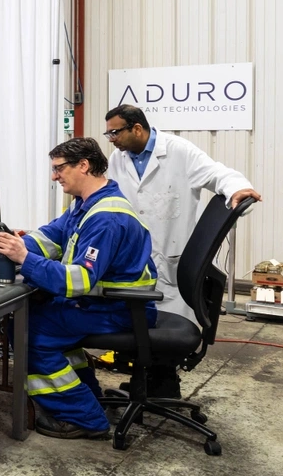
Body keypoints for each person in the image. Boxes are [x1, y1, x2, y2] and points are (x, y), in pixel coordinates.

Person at [0, 137, 158, 439]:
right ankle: (87, 393)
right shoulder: (88, 203)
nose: (54, 176)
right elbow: (52, 235)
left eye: (59, 168)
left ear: (84, 166)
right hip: (102, 303)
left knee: (27, 331)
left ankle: (83, 418)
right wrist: (10, 249)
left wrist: (23, 258)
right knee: (34, 316)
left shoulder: (106, 218)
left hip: (118, 308)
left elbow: (81, 281)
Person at [103, 104, 262, 397]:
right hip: (133, 257)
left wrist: (238, 188)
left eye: (114, 132)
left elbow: (218, 174)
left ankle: (162, 385)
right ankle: (147, 382)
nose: (110, 139)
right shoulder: (118, 158)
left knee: (161, 334)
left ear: (136, 128)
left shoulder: (178, 151)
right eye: (108, 133)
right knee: (135, 324)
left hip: (170, 259)